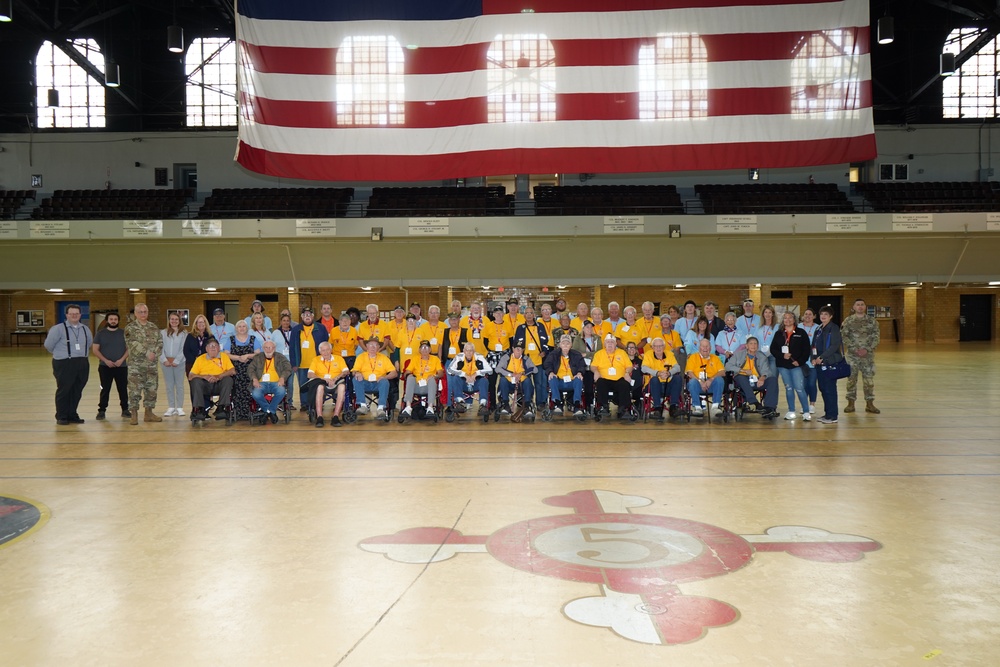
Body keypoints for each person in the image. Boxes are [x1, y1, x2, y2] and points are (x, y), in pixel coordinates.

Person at [45, 303, 93, 425]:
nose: (74, 316)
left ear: (80, 315)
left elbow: (89, 344)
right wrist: (62, 354)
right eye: (71, 313)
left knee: (77, 390)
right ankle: (61, 416)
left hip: (82, 362)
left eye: (76, 314)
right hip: (64, 363)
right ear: (66, 315)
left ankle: (72, 414)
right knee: (64, 390)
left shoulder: (85, 329)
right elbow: (49, 346)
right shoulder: (58, 329)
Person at [125, 303, 163, 425]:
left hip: (151, 366)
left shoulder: (153, 327)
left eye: (145, 312)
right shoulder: (130, 328)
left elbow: (160, 342)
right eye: (140, 312)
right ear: (135, 313)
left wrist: (155, 354)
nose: (143, 314)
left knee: (151, 390)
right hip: (136, 366)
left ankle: (149, 413)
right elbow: (132, 343)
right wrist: (147, 352)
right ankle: (134, 414)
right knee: (134, 390)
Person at [841, 298, 881, 414]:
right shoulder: (848, 321)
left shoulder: (872, 321)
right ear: (853, 307)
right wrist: (854, 349)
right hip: (853, 356)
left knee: (869, 381)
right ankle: (850, 404)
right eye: (857, 305)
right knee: (851, 380)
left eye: (862, 305)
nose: (860, 306)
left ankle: (870, 404)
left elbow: (876, 337)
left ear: (865, 307)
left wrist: (867, 350)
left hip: (867, 357)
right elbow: (844, 336)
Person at [770, 311, 812, 421]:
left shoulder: (801, 333)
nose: (787, 320)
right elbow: (773, 349)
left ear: (794, 320)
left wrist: (800, 361)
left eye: (790, 318)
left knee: (799, 388)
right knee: (788, 388)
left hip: (796, 366)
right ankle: (791, 411)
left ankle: (806, 411)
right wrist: (782, 355)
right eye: (785, 318)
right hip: (783, 366)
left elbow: (806, 350)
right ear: (782, 320)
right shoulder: (779, 333)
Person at [725, 336, 779, 418]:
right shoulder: (738, 354)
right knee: (741, 377)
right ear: (746, 346)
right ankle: (754, 402)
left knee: (773, 380)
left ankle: (769, 408)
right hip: (742, 379)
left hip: (757, 380)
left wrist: (762, 377)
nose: (753, 346)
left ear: (757, 346)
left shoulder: (762, 357)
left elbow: (766, 370)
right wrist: (741, 371)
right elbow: (728, 366)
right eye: (751, 344)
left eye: (755, 344)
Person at [92, 311, 129, 421]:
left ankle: (125, 409)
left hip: (121, 367)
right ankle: (102, 411)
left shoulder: (124, 333)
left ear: (118, 321)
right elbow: (95, 349)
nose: (113, 321)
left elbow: (129, 349)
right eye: (111, 319)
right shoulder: (100, 333)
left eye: (115, 319)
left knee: (122, 389)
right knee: (105, 389)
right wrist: (106, 360)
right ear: (107, 320)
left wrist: (121, 360)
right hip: (105, 367)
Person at [290, 306, 329, 410]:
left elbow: (327, 344)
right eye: (305, 315)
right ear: (301, 317)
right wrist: (294, 363)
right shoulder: (296, 330)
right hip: (301, 364)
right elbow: (292, 348)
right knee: (303, 385)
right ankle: (304, 404)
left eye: (309, 315)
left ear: (313, 316)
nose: (307, 317)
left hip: (318, 363)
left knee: (318, 384)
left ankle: (319, 403)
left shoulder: (321, 328)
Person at [187, 339, 235, 422]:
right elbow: (190, 376)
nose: (213, 348)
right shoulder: (200, 359)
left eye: (215, 346)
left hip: (219, 383)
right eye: (210, 346)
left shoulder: (224, 356)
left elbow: (232, 371)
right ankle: (200, 410)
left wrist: (219, 376)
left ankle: (221, 408)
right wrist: (204, 376)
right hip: (204, 384)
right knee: (195, 381)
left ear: (219, 348)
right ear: (206, 349)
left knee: (228, 380)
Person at [304, 341, 349, 427]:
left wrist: (336, 377)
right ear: (320, 351)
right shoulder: (316, 360)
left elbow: (346, 371)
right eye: (323, 350)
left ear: (331, 350)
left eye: (327, 350)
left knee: (342, 387)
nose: (326, 352)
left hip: (336, 382)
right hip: (322, 382)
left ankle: (335, 416)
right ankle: (319, 417)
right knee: (320, 387)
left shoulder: (339, 358)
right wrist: (324, 379)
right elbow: (309, 374)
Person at [351, 337, 398, 419]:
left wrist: (385, 377)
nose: (373, 347)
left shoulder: (384, 358)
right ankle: (363, 406)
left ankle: (381, 408)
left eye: (375, 345)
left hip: (378, 383)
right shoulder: (361, 357)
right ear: (367, 346)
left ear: (379, 348)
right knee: (355, 379)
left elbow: (394, 373)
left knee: (385, 381)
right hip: (365, 382)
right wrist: (357, 373)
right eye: (371, 345)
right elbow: (354, 370)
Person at [813, 306, 845, 424]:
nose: (823, 316)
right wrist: (813, 358)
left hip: (829, 362)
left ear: (831, 316)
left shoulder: (834, 328)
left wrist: (822, 357)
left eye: (826, 314)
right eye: (822, 314)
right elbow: (814, 345)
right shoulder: (819, 328)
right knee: (823, 388)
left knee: (830, 389)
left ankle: (833, 415)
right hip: (819, 363)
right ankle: (827, 414)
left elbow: (834, 346)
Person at [514, 307, 550, 410]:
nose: (529, 315)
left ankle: (541, 403)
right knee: (526, 383)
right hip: (525, 361)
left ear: (534, 315)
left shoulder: (541, 326)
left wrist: (545, 351)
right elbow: (516, 344)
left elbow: (546, 341)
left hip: (539, 360)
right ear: (524, 316)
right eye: (527, 313)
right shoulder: (520, 328)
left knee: (540, 383)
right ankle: (527, 403)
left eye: (531, 313)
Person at [249, 339, 293, 423]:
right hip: (261, 383)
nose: (268, 349)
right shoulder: (258, 357)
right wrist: (254, 379)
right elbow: (250, 369)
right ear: (263, 348)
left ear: (274, 348)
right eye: (266, 347)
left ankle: (268, 411)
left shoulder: (280, 357)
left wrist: (282, 378)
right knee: (255, 394)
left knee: (281, 391)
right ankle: (270, 411)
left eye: (270, 347)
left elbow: (288, 368)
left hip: (276, 382)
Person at [590, 334, 633, 419]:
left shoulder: (622, 353)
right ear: (605, 343)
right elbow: (593, 366)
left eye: (612, 342)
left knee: (625, 384)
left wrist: (627, 372)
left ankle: (623, 409)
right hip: (604, 379)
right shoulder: (599, 354)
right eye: (608, 342)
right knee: (600, 383)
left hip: (619, 379)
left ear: (616, 344)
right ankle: (604, 407)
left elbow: (629, 366)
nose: (610, 344)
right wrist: (595, 371)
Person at [225, 319, 261, 421]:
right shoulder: (231, 339)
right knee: (236, 389)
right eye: (239, 326)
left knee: (251, 388)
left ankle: (253, 410)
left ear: (247, 328)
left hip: (251, 369)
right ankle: (238, 412)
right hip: (236, 369)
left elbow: (258, 354)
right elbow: (226, 354)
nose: (241, 328)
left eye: (244, 326)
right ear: (236, 329)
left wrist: (248, 356)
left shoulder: (253, 339)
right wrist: (238, 358)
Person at [543, 335, 586, 416]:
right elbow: (547, 365)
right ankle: (558, 404)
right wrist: (550, 372)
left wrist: (579, 372)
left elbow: (582, 365)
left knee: (579, 379)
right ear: (560, 345)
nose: (565, 345)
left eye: (567, 343)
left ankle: (576, 405)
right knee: (552, 378)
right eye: (563, 343)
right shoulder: (554, 354)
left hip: (572, 381)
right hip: (559, 381)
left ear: (571, 345)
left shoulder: (576, 355)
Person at [400, 340, 444, 421]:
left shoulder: (435, 359)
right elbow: (407, 371)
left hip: (429, 386)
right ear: (419, 350)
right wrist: (408, 374)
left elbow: (441, 372)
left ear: (430, 350)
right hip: (416, 386)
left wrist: (435, 376)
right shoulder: (414, 359)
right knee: (410, 378)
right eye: (423, 348)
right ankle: (408, 407)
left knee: (432, 379)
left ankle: (430, 407)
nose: (425, 349)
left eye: (427, 348)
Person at [447, 341, 492, 416]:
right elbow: (449, 370)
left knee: (484, 380)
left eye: (471, 350)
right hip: (463, 383)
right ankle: (460, 402)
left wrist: (477, 373)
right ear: (464, 351)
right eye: (467, 350)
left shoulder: (480, 357)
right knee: (455, 378)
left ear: (474, 351)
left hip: (476, 383)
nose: (469, 352)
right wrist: (464, 374)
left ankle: (483, 405)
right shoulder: (458, 357)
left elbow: (490, 370)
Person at [641, 337, 682, 419]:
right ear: (652, 347)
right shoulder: (648, 354)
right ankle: (657, 408)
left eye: (660, 346)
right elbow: (644, 368)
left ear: (664, 347)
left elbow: (677, 368)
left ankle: (673, 407)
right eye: (656, 346)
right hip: (654, 385)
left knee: (678, 378)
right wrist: (657, 373)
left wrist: (669, 373)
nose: (658, 348)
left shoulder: (669, 354)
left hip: (668, 384)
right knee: (655, 379)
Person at [685, 338, 725, 417]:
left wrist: (710, 380)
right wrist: (700, 381)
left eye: (707, 346)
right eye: (703, 346)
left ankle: (715, 406)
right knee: (692, 382)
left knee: (719, 380)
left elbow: (722, 372)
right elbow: (690, 373)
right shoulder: (693, 357)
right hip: (698, 383)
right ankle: (697, 407)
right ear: (699, 348)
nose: (705, 349)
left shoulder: (715, 358)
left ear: (710, 348)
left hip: (712, 384)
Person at [495, 341, 537, 417]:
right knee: (503, 380)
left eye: (520, 349)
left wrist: (522, 373)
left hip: (522, 384)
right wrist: (511, 374)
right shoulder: (506, 357)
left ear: (523, 350)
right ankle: (506, 405)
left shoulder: (526, 358)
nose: (518, 351)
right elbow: (497, 369)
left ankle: (526, 406)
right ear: (513, 349)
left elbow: (535, 369)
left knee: (528, 381)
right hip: (509, 383)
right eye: (517, 348)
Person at [160, 312, 188, 417]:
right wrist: (164, 360)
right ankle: (171, 407)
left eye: (176, 319)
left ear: (179, 321)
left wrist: (177, 360)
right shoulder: (163, 333)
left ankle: (180, 407)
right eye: (172, 319)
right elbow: (160, 348)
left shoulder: (184, 333)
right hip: (166, 363)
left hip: (179, 363)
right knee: (169, 385)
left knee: (179, 385)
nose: (174, 321)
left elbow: (183, 348)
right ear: (169, 320)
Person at [270, 313, 297, 408]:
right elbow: (271, 346)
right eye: (284, 320)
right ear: (281, 322)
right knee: (280, 383)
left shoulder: (294, 332)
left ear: (290, 322)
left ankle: (289, 402)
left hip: (290, 362)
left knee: (290, 383)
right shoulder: (275, 333)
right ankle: (279, 402)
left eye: (287, 321)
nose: (286, 322)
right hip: (279, 362)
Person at [572, 320, 601, 407]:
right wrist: (591, 354)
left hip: (594, 365)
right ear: (583, 328)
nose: (589, 329)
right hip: (582, 366)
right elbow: (575, 352)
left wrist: (586, 354)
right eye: (587, 327)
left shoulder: (597, 338)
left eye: (590, 327)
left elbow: (599, 353)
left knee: (593, 382)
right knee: (585, 382)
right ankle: (584, 403)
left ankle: (593, 403)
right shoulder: (578, 338)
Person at [799, 308, 820, 415]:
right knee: (803, 384)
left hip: (813, 361)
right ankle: (804, 405)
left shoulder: (818, 328)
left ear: (814, 316)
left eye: (810, 314)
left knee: (811, 383)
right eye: (805, 314)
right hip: (801, 361)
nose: (807, 316)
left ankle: (812, 405)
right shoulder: (798, 327)